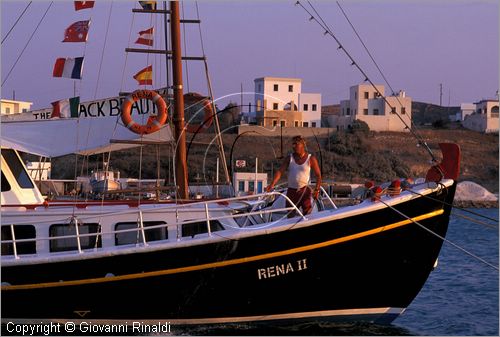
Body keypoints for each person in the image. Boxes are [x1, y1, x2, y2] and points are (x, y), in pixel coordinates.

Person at [266, 135, 322, 216]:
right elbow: (280, 172)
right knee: (290, 214)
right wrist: (272, 184)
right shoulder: (289, 158)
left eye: (296, 144)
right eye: (293, 144)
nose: (294, 146)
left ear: (302, 145)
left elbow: (318, 176)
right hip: (291, 191)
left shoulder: (311, 159)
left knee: (308, 214)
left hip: (304, 191)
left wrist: (317, 190)